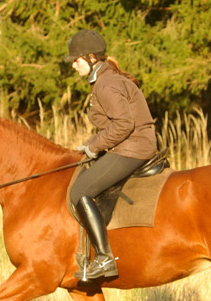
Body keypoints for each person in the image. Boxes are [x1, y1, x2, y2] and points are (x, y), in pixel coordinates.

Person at [65, 29, 157, 280]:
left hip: (132, 147)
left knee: (80, 192)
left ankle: (105, 259)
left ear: (91, 57)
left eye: (76, 59)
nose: (73, 65)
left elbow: (123, 124)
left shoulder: (107, 84)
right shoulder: (106, 80)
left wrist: (92, 146)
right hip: (130, 145)